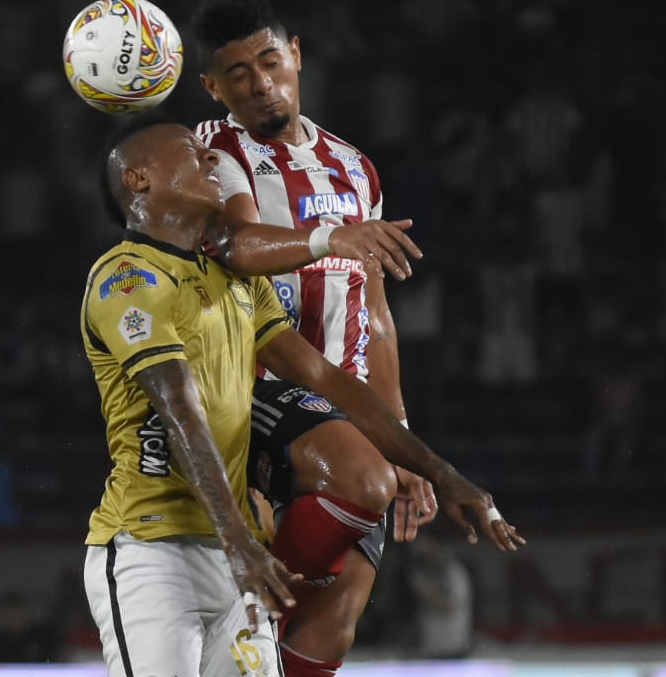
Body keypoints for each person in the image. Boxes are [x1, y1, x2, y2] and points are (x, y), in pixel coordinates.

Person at [81, 115, 521, 677]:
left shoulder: (240, 282)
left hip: (236, 556)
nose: (212, 159)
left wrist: (441, 471)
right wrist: (239, 540)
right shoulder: (127, 278)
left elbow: (330, 381)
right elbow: (179, 413)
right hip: (151, 551)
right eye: (192, 153)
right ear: (139, 180)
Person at [188, 0, 462, 676]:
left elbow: (375, 310)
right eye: (238, 74)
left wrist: (397, 431)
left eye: (270, 62)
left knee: (331, 631)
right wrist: (331, 235)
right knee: (362, 486)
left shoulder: (354, 166)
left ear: (298, 55)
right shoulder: (215, 151)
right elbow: (241, 243)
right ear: (213, 87)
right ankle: (238, 620)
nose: (260, 85)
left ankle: (242, 636)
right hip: (258, 398)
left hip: (347, 406)